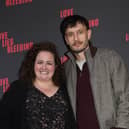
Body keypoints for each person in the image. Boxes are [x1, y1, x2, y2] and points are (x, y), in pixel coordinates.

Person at [60, 15, 129, 129]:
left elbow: (125, 97)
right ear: (66, 39)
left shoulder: (110, 58)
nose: (76, 38)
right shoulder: (65, 69)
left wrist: (121, 127)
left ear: (89, 34)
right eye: (71, 34)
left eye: (80, 32)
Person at [0, 41, 76, 129]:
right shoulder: (17, 89)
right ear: (33, 64)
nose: (44, 67)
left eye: (49, 63)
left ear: (55, 66)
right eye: (40, 62)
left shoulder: (67, 90)